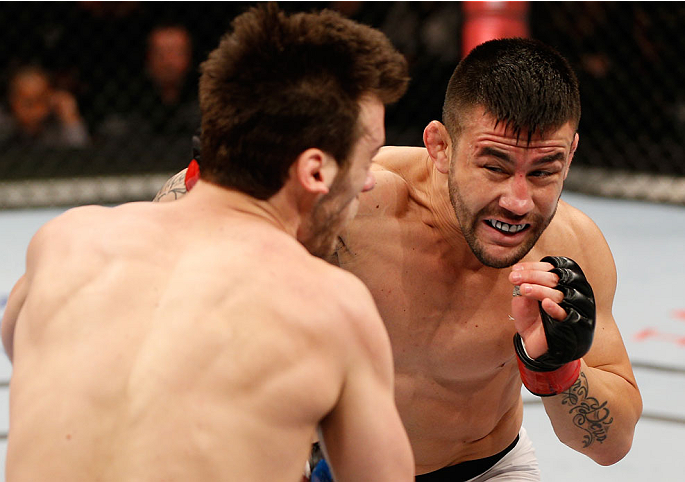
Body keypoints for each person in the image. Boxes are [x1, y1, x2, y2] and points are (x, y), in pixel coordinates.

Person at [159, 36, 643, 481]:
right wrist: (224, 173)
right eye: (493, 167)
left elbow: (610, 445)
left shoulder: (569, 249)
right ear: (440, 146)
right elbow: (170, 236)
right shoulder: (355, 199)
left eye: (543, 171)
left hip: (483, 469)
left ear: (571, 154)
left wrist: (560, 368)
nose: (517, 201)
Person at [1, 3, 414, 482]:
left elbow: (32, 353)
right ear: (315, 171)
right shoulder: (332, 306)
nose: (368, 183)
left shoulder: (64, 243)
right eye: (367, 158)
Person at [0, 65, 89, 148]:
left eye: (41, 101)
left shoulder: (56, 125)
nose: (35, 110)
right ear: (12, 101)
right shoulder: (4, 123)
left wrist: (70, 118)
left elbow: (81, 155)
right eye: (28, 103)